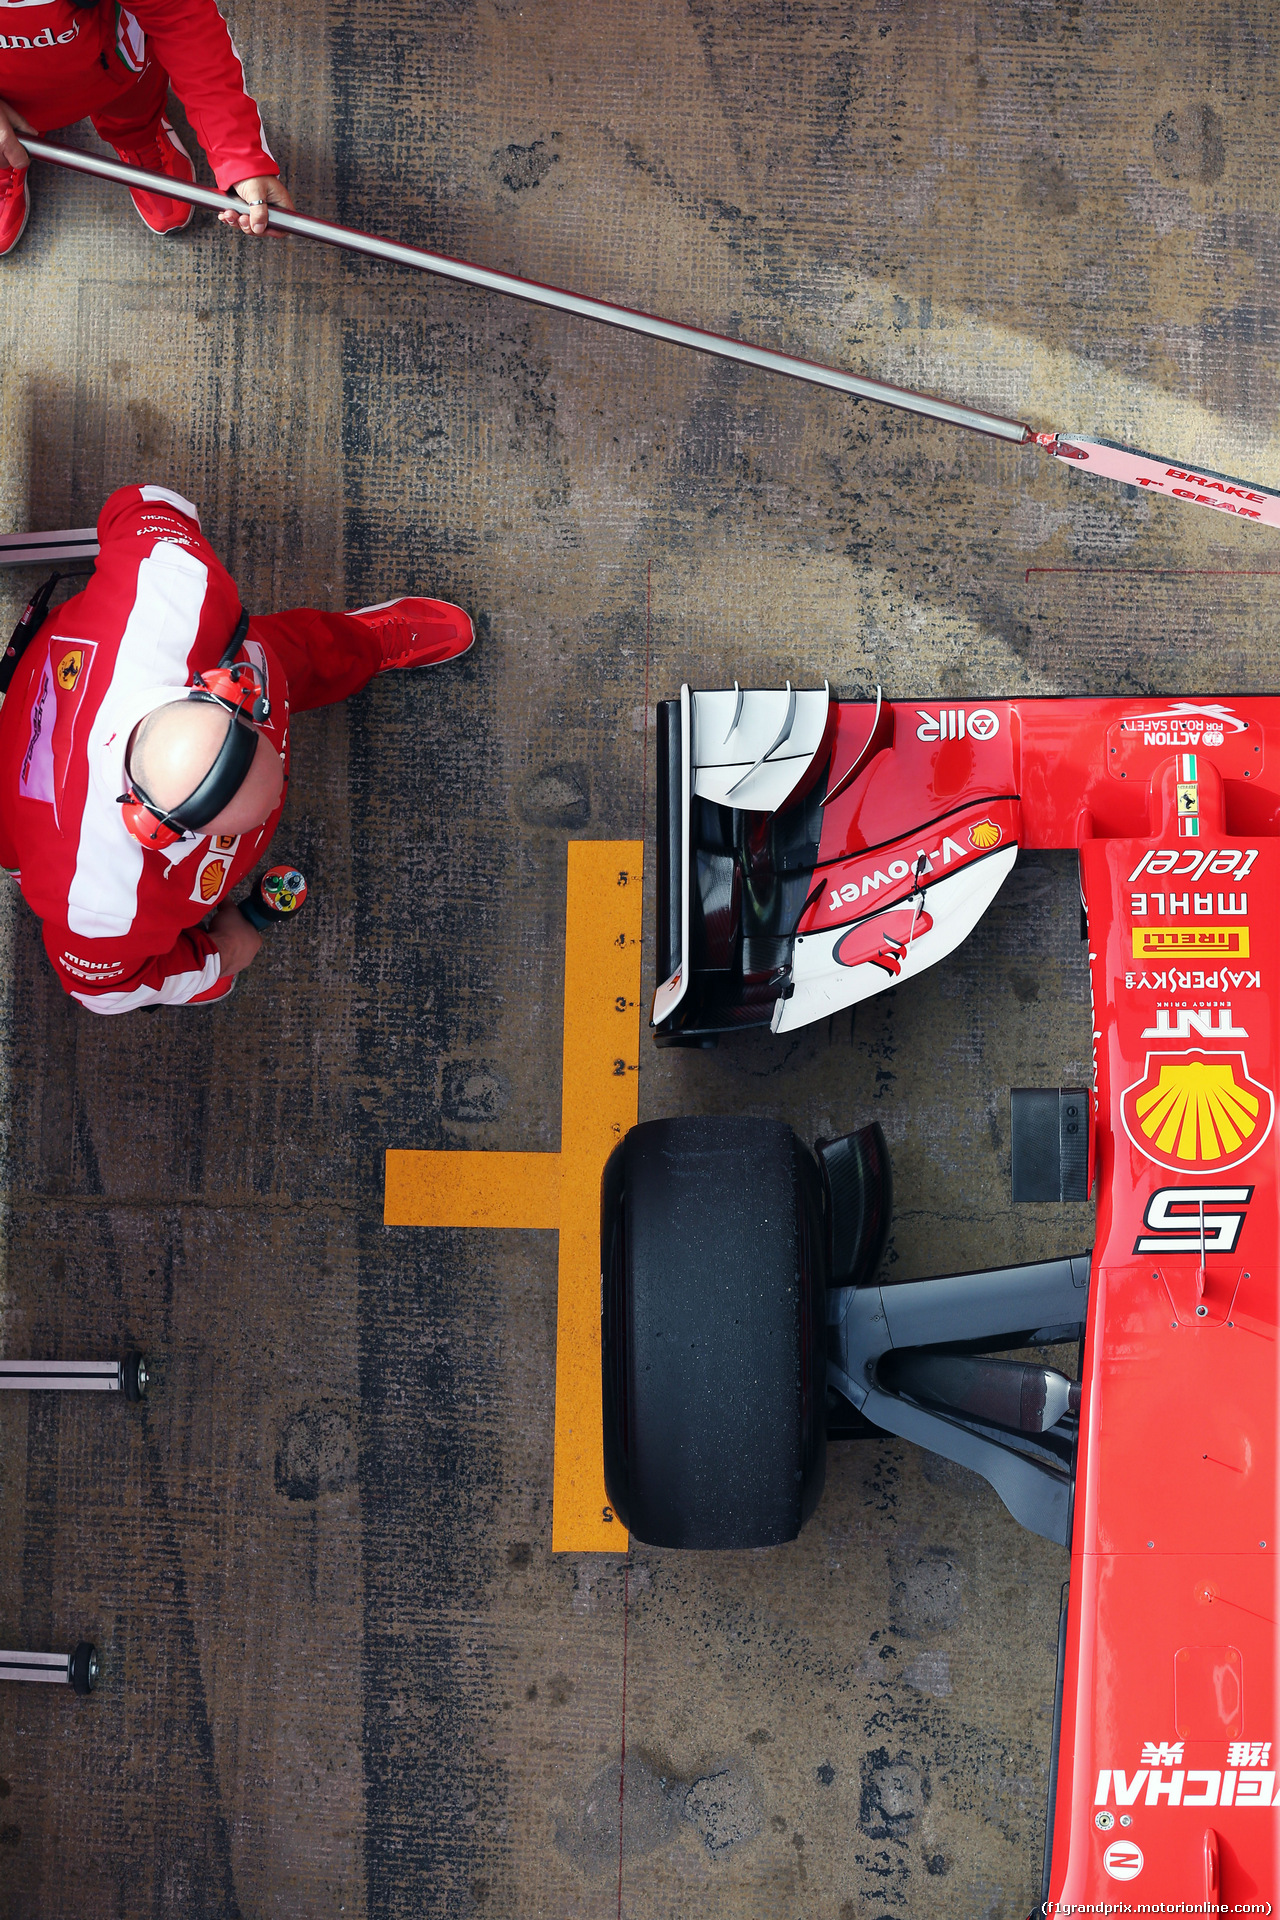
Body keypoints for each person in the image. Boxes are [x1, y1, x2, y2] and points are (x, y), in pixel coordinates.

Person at [0, 483, 475, 1011]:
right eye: (250, 818)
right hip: (25, 819)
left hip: (59, 688)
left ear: (218, 692)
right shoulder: (100, 906)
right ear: (152, 829)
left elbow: (144, 501)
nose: (278, 804)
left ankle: (365, 643)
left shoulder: (172, 588)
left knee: (287, 653)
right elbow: (106, 990)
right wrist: (220, 956)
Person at [0, 0, 293, 256]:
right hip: (11, 102)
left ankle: (138, 138)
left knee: (133, 114)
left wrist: (238, 157)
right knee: (6, 141)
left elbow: (183, 21)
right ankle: (8, 154)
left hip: (114, 71)